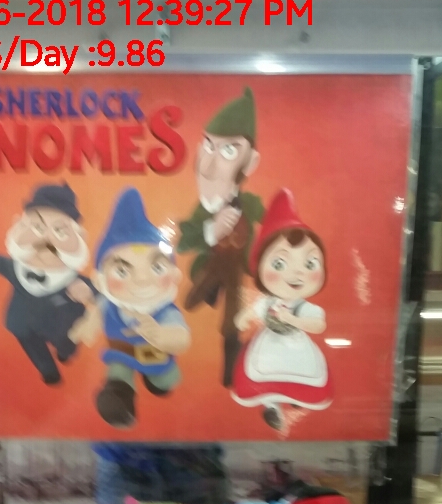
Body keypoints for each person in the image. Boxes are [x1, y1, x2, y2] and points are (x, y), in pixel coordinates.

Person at [0, 182, 94, 386]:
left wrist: (88, 291)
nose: (46, 238)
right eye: (38, 227)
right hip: (23, 324)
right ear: (18, 225)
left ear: (80, 238)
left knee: (67, 345)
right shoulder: (15, 268)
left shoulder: (72, 280)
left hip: (62, 326)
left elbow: (100, 292)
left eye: (60, 231)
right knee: (31, 344)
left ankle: (65, 352)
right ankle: (48, 370)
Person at [177, 87, 264, 388]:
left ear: (250, 162)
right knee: (192, 300)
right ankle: (210, 291)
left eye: (228, 150)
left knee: (232, 320)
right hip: (212, 264)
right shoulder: (204, 209)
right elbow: (183, 240)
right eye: (209, 146)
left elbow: (270, 221)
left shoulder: (249, 203)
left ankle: (231, 369)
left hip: (238, 268)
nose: (211, 164)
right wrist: (210, 231)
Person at [232, 188, 332, 434]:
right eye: (280, 263)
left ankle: (298, 399)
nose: (296, 273)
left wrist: (293, 319)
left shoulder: (304, 306)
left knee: (302, 374)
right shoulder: (267, 302)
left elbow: (318, 325)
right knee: (264, 374)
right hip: (270, 344)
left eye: (309, 263)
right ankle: (271, 406)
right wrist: (244, 318)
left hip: (297, 346)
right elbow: (252, 312)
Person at [89, 188, 190, 429]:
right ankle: (119, 401)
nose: (142, 281)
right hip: (121, 354)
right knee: (117, 375)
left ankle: (157, 383)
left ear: (174, 275)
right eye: (122, 270)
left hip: (155, 356)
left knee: (164, 381)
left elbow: (182, 338)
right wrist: (88, 321)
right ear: (100, 280)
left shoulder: (164, 311)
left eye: (156, 267)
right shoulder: (109, 302)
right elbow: (96, 310)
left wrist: (161, 335)